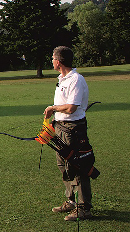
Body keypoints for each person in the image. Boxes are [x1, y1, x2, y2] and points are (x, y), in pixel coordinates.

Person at [43, 46, 94, 221]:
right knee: (63, 166)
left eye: (52, 58)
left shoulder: (76, 80)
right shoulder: (62, 79)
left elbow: (72, 108)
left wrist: (53, 108)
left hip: (73, 130)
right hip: (60, 128)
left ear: (59, 61)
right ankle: (71, 202)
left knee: (77, 167)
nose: (51, 61)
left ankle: (84, 208)